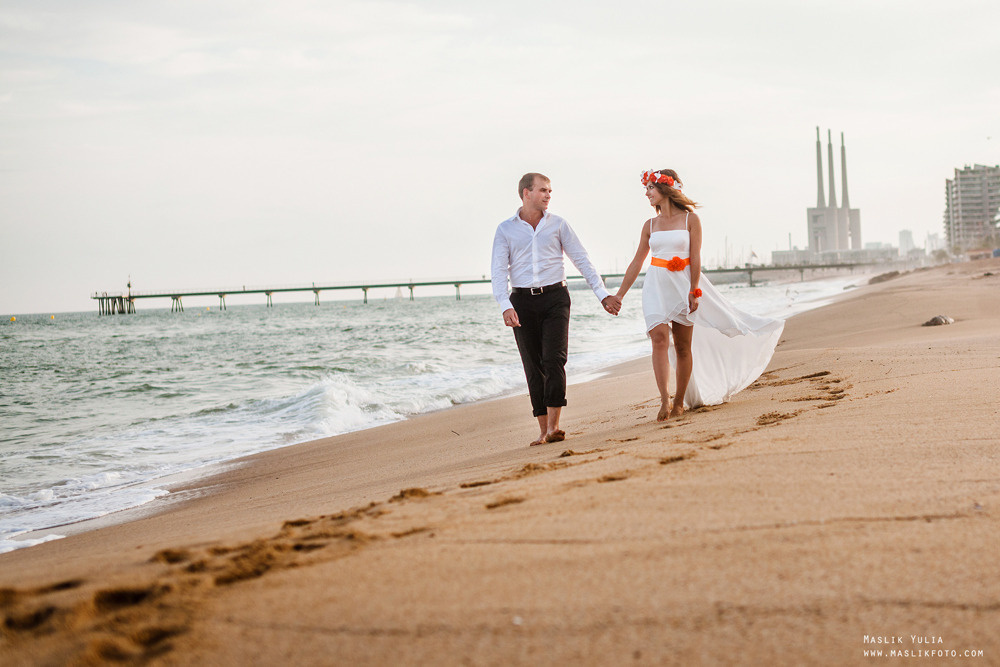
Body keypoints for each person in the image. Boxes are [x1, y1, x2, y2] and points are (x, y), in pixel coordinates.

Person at [614, 169, 783, 421]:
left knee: (683, 346)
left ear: (666, 189)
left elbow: (695, 257)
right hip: (656, 285)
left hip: (682, 284)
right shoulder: (649, 225)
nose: (646, 193)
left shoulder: (690, 220)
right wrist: (619, 295)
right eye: (646, 188)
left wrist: (694, 290)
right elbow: (637, 262)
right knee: (658, 338)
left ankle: (680, 401)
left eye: (650, 187)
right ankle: (664, 400)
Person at [492, 172, 621, 446]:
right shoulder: (505, 230)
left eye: (550, 191)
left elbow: (581, 259)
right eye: (543, 190)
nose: (548, 195)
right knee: (533, 366)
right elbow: (498, 271)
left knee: (554, 359)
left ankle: (554, 427)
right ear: (526, 193)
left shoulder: (559, 225)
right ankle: (542, 430)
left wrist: (601, 294)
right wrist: (505, 305)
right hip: (522, 301)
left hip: (556, 298)